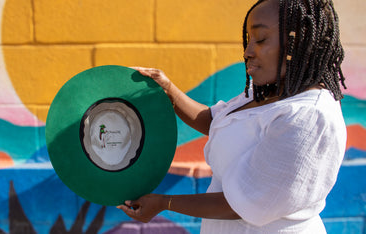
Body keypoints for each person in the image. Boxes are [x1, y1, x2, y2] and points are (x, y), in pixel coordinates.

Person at [117, 0, 347, 233]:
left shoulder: (309, 116)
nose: (247, 52)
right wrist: (168, 90)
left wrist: (163, 203)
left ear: (299, 42)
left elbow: (247, 204)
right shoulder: (270, 93)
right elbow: (218, 123)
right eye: (248, 40)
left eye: (260, 39)